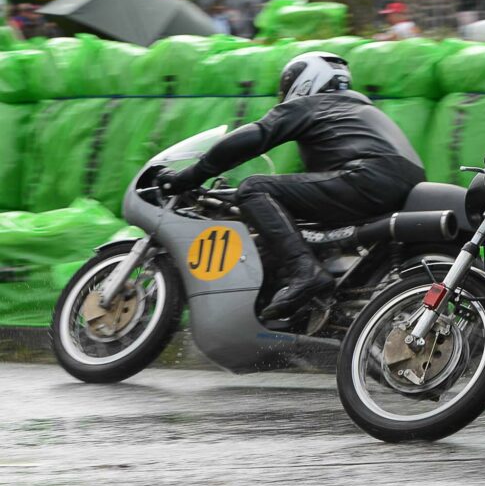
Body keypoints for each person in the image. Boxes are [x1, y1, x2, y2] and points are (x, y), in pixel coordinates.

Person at [157, 53, 426, 320]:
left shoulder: (313, 104)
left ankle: (304, 272)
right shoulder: (361, 110)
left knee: (254, 188)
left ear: (305, 82)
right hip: (406, 182)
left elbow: (255, 135)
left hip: (367, 176)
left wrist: (192, 175)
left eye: (287, 84)